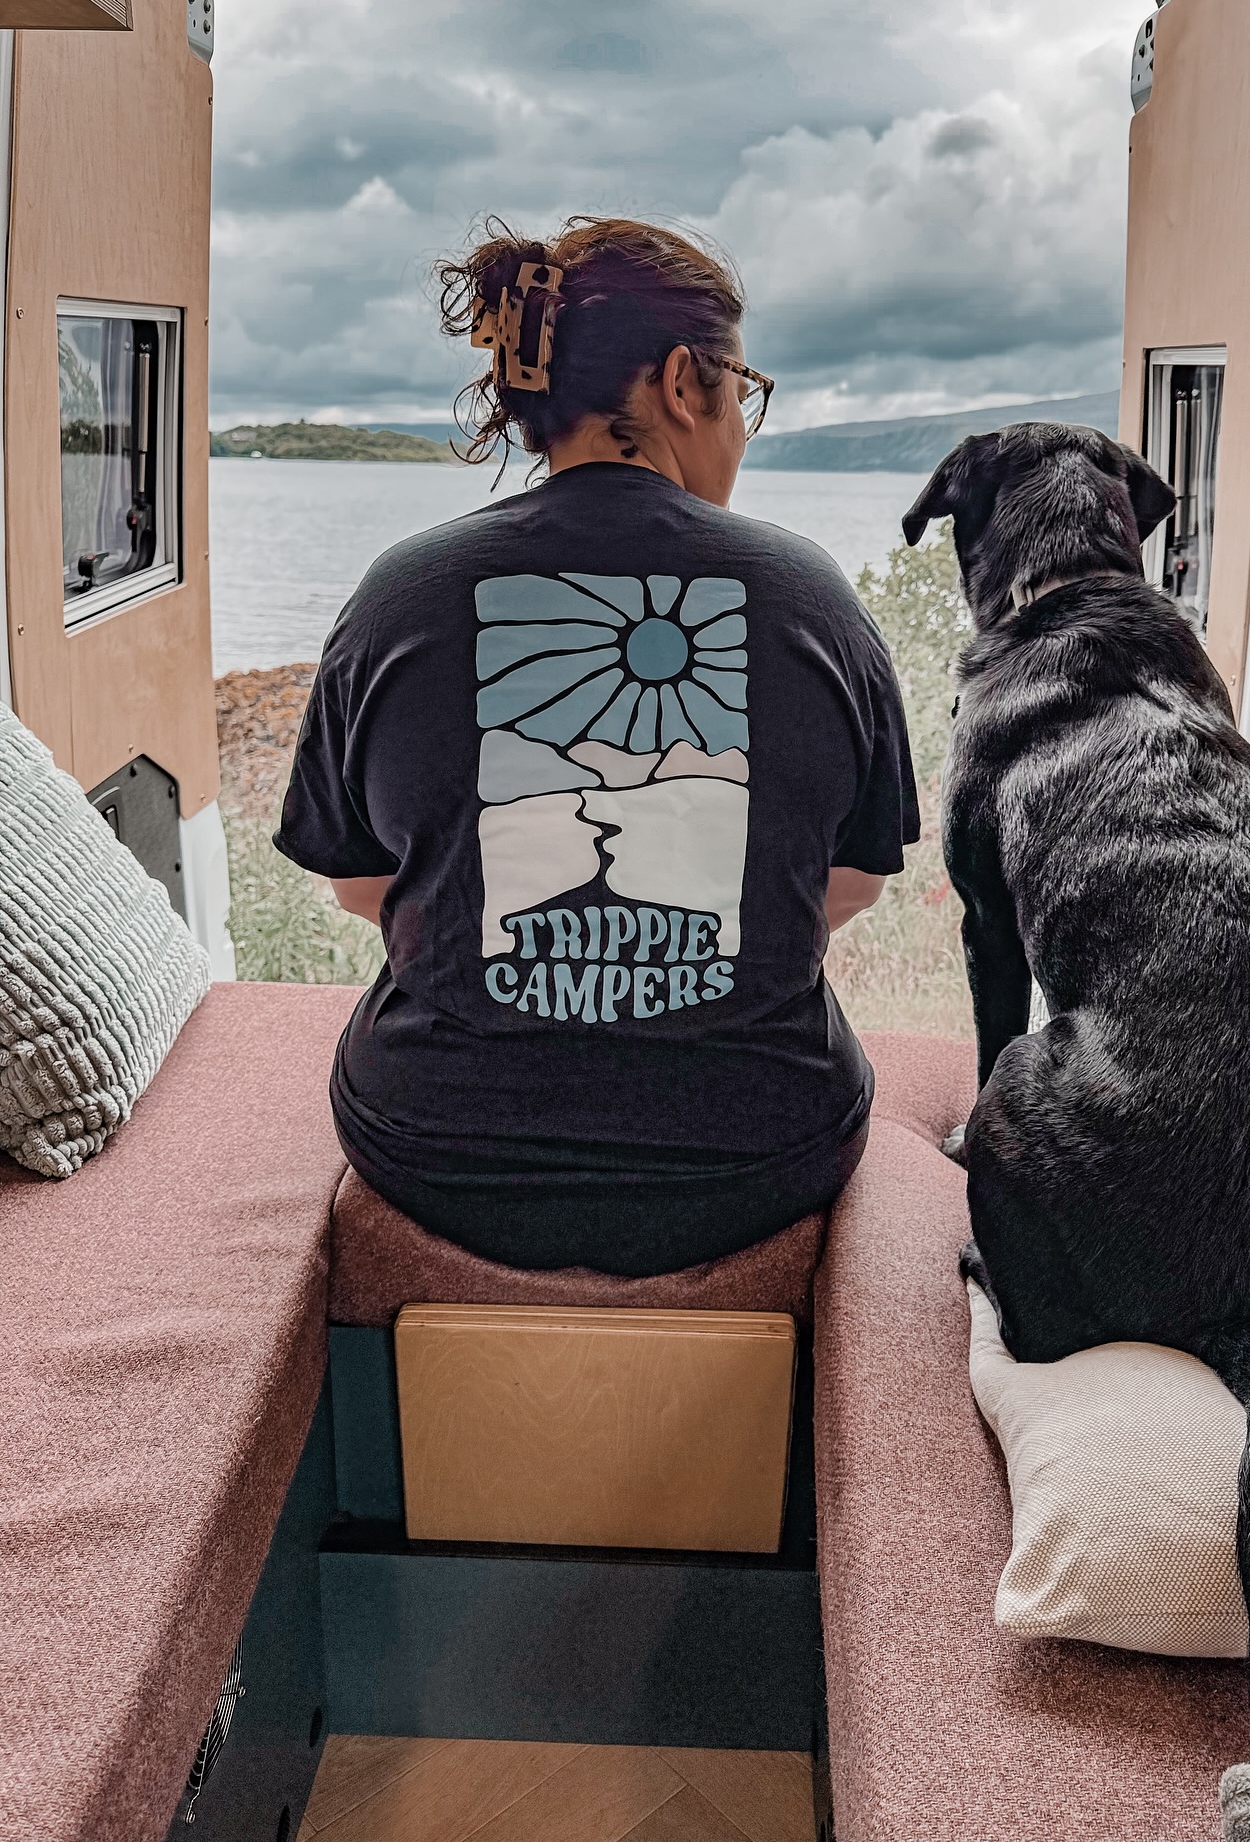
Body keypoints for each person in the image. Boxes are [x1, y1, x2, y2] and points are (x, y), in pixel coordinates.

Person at [275, 217, 919, 1276]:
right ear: (680, 380)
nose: (744, 430)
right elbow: (845, 885)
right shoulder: (810, 596)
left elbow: (362, 890)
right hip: (757, 1157)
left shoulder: (403, 593)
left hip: (442, 1155)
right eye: (742, 392)